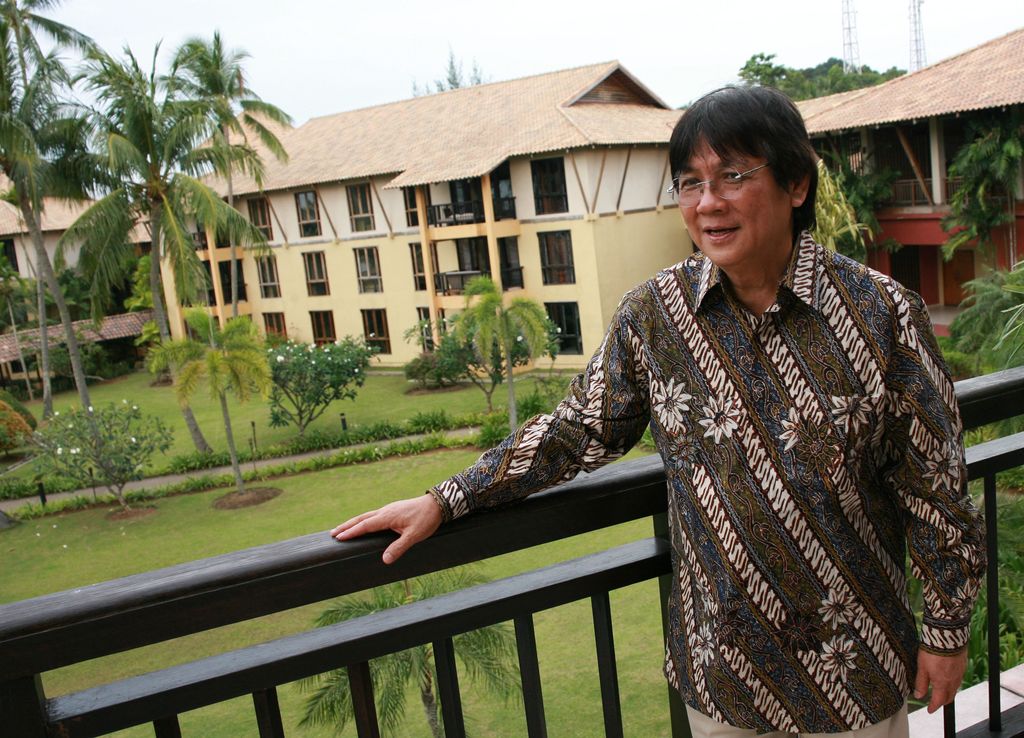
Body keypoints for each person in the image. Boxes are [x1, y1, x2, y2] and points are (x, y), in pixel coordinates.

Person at [332, 85, 985, 737]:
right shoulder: (657, 317)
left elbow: (934, 483)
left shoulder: (883, 314)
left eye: (733, 176)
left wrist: (946, 632)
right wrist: (447, 499)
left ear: (796, 185)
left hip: (855, 669)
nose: (708, 203)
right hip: (724, 674)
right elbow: (578, 429)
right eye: (690, 183)